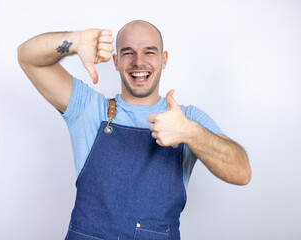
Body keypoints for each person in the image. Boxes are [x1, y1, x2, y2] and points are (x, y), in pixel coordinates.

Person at [18, 20, 251, 239]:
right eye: (129, 52)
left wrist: (190, 132)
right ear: (117, 61)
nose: (139, 62)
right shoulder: (88, 108)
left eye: (149, 51)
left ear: (164, 59)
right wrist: (75, 41)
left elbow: (241, 172)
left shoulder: (187, 118)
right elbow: (27, 57)